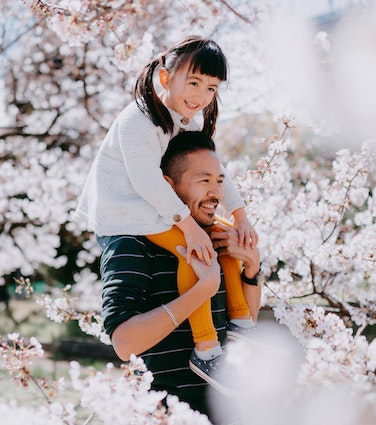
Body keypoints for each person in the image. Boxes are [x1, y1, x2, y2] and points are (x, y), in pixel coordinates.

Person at [75, 35, 259, 387]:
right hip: (126, 216)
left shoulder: (186, 122)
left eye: (211, 88)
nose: (201, 96)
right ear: (164, 78)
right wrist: (189, 226)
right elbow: (146, 181)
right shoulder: (138, 120)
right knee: (196, 250)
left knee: (221, 234)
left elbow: (219, 172)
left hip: (156, 210)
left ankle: (241, 323)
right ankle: (207, 350)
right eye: (193, 82)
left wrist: (240, 216)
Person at [101, 131, 262, 421]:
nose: (216, 193)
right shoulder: (131, 243)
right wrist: (203, 288)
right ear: (166, 187)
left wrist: (251, 268)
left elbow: (239, 328)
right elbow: (124, 343)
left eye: (219, 182)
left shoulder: (214, 238)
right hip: (165, 411)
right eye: (204, 181)